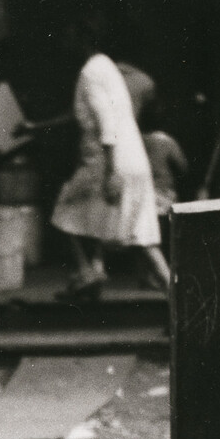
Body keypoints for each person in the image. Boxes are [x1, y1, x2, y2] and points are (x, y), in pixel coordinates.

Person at [50, 24, 173, 295]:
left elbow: (106, 120)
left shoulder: (91, 72)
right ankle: (182, 304)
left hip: (108, 161)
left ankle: (88, 271)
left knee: (65, 208)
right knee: (140, 237)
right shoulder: (106, 67)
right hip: (133, 159)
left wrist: (111, 171)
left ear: (82, 42)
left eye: (69, 38)